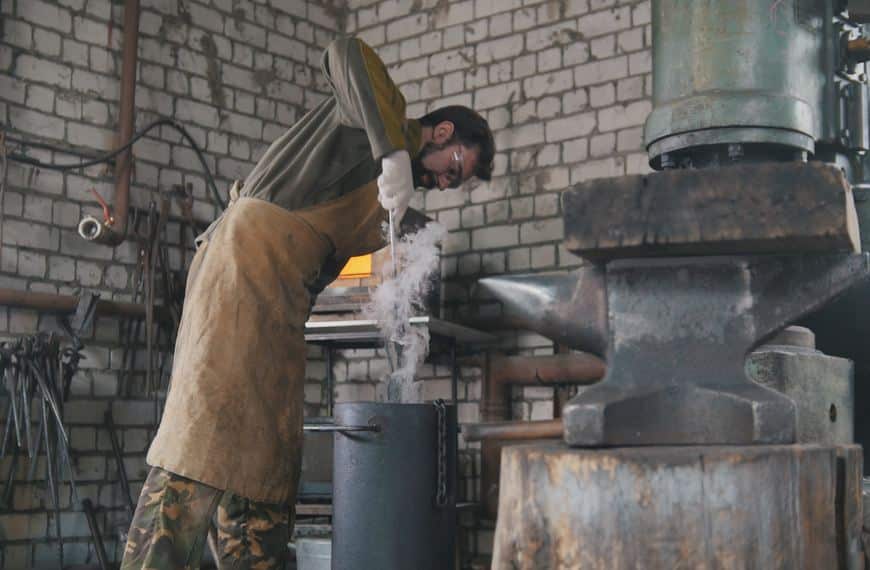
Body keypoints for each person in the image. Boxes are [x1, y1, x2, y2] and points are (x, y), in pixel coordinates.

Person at [120, 36, 495, 569]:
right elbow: (345, 52)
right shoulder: (380, 115)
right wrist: (391, 151)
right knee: (204, 434)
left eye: (450, 183)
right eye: (450, 169)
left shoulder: (389, 208)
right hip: (242, 270)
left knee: (269, 460)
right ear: (441, 132)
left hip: (283, 304)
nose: (441, 181)